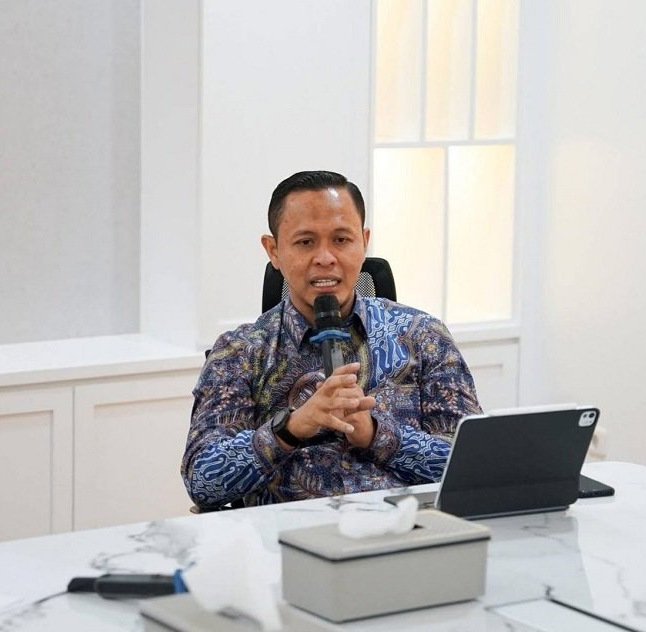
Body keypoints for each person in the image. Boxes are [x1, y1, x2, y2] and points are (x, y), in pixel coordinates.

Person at [181, 170, 481, 508]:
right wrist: (290, 428)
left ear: (363, 242)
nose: (325, 258)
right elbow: (202, 482)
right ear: (273, 250)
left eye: (341, 240)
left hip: (404, 527)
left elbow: (472, 465)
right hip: (288, 534)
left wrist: (376, 434)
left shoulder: (423, 336)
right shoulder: (239, 352)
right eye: (305, 242)